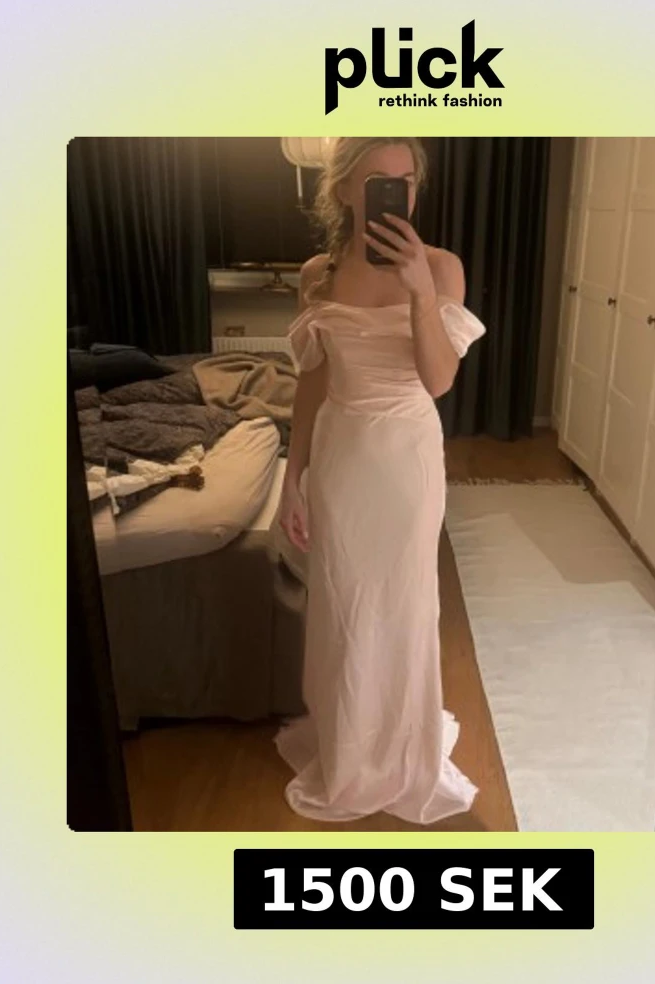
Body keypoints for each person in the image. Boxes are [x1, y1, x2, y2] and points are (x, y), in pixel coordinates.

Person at [274, 137, 487, 824]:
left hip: (406, 463)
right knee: (343, 603)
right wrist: (293, 478)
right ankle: (350, 746)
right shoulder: (317, 274)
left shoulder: (443, 268)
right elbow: (312, 382)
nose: (397, 192)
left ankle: (399, 752)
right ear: (343, 189)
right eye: (377, 179)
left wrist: (421, 292)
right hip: (341, 457)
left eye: (407, 179)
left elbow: (439, 379)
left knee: (403, 605)